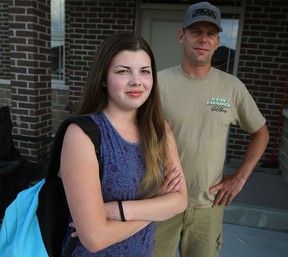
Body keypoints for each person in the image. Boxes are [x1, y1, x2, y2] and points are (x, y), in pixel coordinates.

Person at [153, 2, 269, 257]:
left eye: (210, 33)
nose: (203, 39)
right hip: (161, 200)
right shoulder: (157, 83)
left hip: (208, 204)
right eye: (196, 31)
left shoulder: (232, 87)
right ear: (181, 36)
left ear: (217, 41)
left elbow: (261, 132)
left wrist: (239, 178)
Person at [59, 32, 188, 257]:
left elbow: (180, 201)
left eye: (145, 72)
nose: (136, 81)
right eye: (123, 71)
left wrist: (113, 210)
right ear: (102, 78)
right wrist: (157, 205)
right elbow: (95, 239)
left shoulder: (160, 130)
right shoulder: (82, 135)